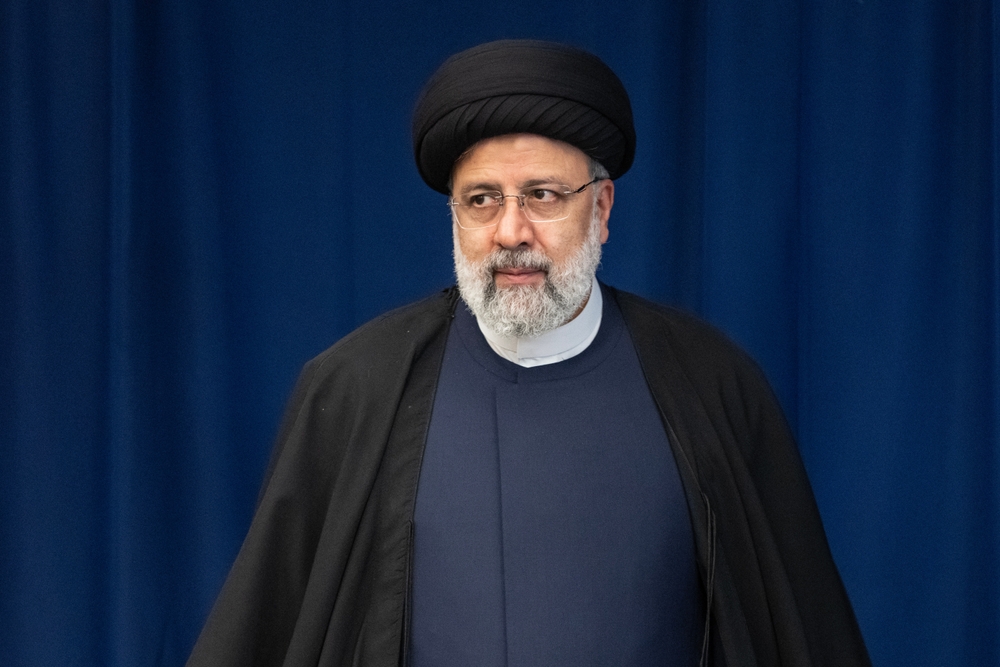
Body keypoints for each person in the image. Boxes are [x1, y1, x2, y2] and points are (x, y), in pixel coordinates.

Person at [187, 39, 871, 667]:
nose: (511, 231)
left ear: (602, 208)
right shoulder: (353, 389)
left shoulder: (713, 385)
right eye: (482, 200)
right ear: (455, 215)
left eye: (542, 195)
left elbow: (795, 629)